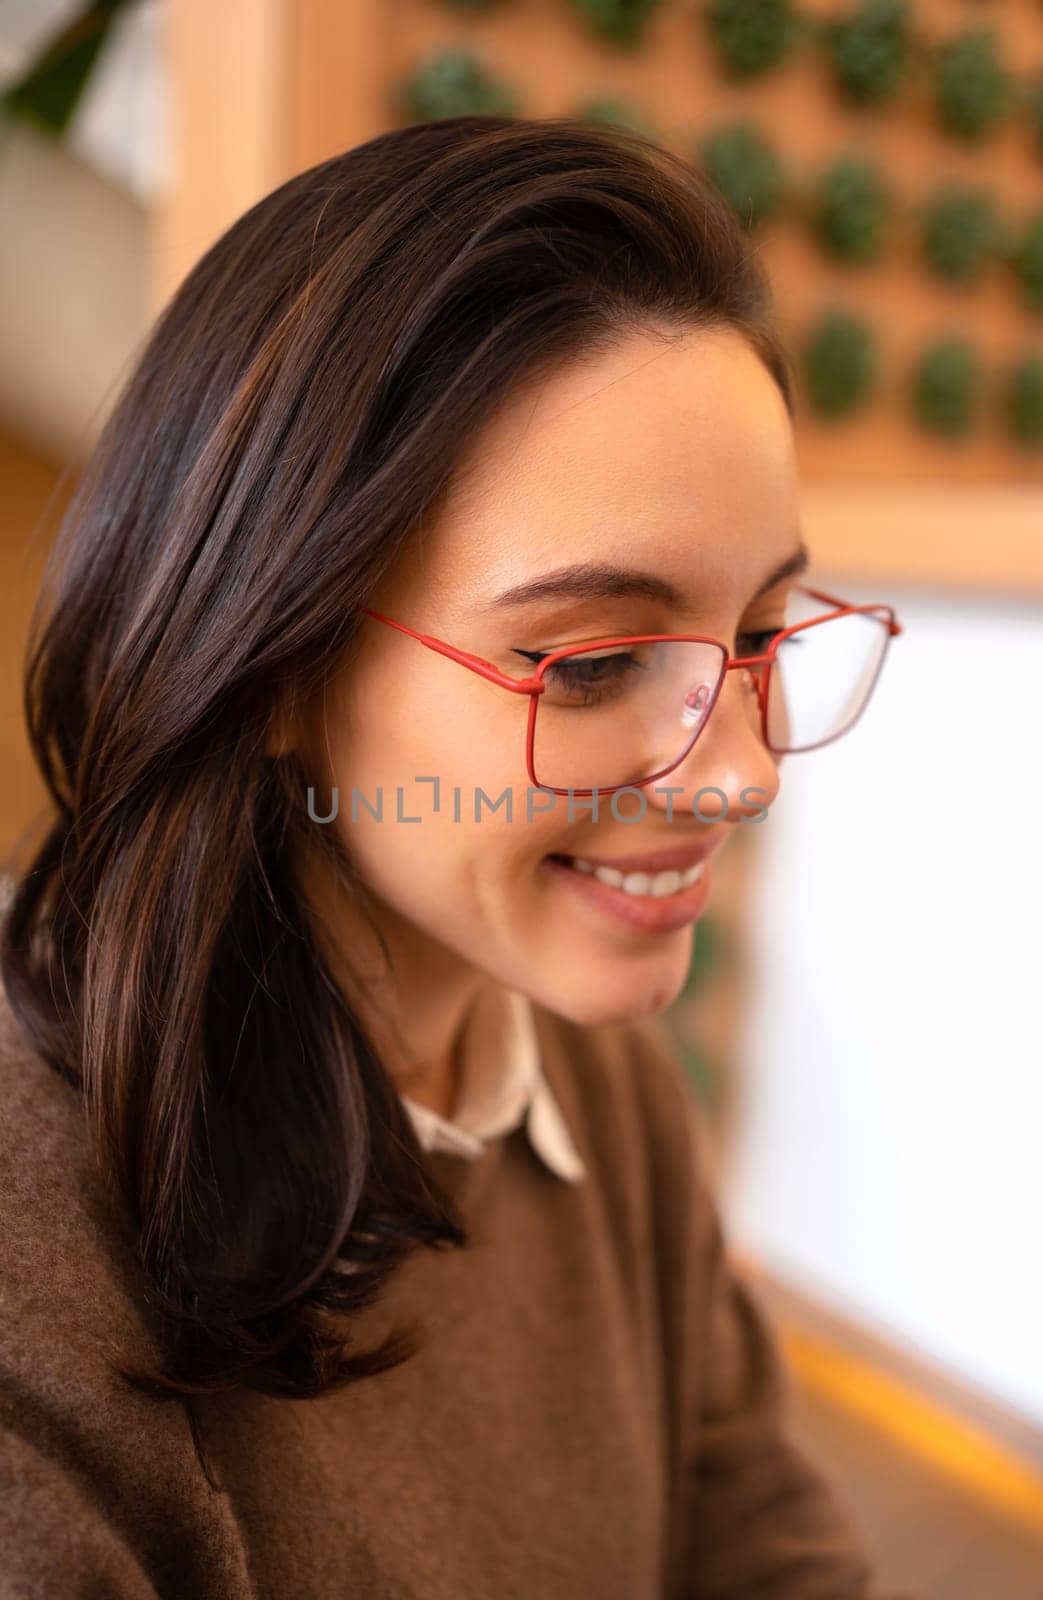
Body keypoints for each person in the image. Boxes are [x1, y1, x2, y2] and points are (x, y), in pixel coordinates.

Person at [0, 115, 913, 1598]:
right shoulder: (36, 1291)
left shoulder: (588, 1085)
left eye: (758, 636)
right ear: (273, 660)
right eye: (598, 660)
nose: (741, 772)